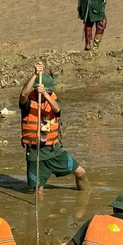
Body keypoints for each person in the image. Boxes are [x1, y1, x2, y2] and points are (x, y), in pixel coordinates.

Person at [19, 62, 90, 195]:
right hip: (35, 152)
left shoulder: (53, 100)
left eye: (49, 92)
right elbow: (23, 95)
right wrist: (35, 74)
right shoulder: (28, 103)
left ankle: (86, 195)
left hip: (54, 150)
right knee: (37, 189)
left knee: (80, 171)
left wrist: (45, 94)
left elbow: (57, 109)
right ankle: (42, 212)